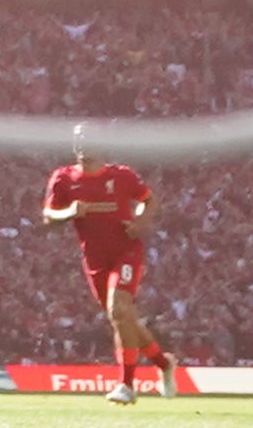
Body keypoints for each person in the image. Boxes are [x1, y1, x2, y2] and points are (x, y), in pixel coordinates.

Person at [40, 131, 182, 404]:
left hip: (126, 251)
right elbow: (48, 215)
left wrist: (140, 223)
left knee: (119, 309)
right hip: (94, 259)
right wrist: (69, 212)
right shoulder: (63, 178)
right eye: (78, 142)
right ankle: (164, 364)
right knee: (123, 317)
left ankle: (127, 385)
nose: (82, 147)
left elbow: (149, 200)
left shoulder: (122, 176)